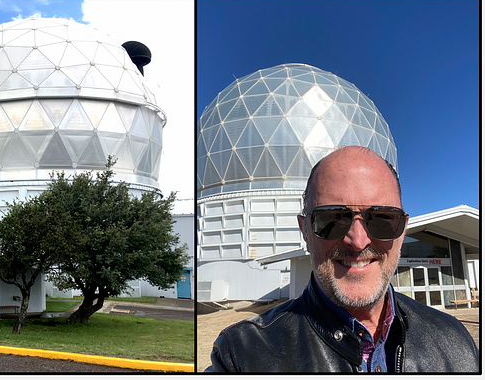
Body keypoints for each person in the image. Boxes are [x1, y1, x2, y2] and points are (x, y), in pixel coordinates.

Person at [205, 146, 479, 372]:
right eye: (332, 219)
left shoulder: (455, 343)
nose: (358, 241)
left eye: (383, 219)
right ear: (305, 230)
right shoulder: (241, 356)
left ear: (403, 230)